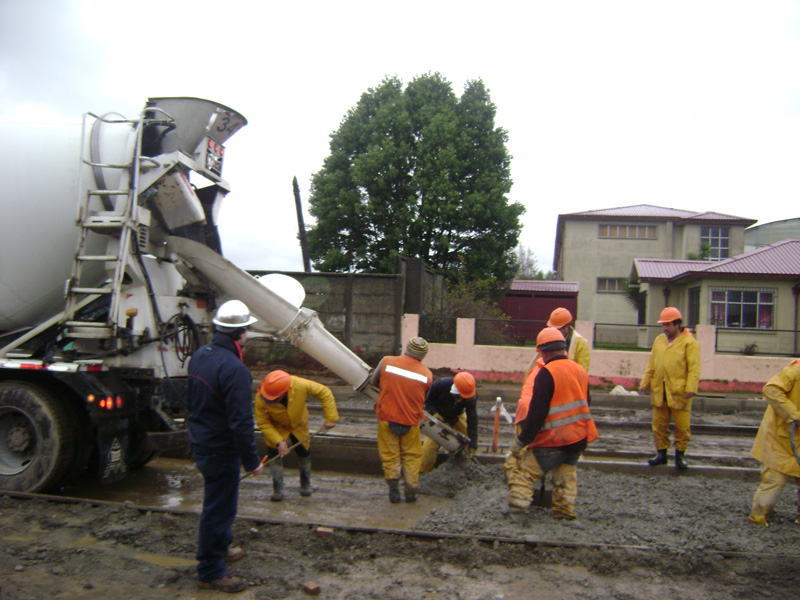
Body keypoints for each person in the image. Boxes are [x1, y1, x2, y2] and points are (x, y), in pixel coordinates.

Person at [186, 300, 264, 593]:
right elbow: (241, 423)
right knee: (219, 509)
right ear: (241, 334)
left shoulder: (200, 356)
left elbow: (192, 400)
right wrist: (252, 460)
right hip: (220, 449)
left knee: (219, 504)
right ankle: (210, 570)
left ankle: (223, 545)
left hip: (202, 441)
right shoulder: (235, 369)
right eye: (247, 330)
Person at [507, 328, 598, 518]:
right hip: (578, 439)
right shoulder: (579, 370)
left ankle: (518, 510)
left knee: (524, 473)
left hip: (553, 440)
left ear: (544, 351)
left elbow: (536, 413)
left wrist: (521, 442)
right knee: (565, 476)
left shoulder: (546, 373)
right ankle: (564, 511)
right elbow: (586, 402)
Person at [254, 370, 339, 501]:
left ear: (284, 392)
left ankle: (305, 484)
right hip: (276, 427)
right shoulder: (261, 397)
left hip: (298, 425)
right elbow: (263, 422)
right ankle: (278, 489)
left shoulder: (299, 384)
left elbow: (324, 392)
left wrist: (331, 417)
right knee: (274, 455)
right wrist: (278, 441)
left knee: (303, 452)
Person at [370, 337, 433, 503]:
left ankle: (393, 491)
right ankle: (411, 490)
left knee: (390, 455)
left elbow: (373, 382)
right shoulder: (427, 375)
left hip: (387, 417)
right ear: (423, 355)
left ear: (407, 348)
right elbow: (425, 398)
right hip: (411, 421)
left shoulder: (387, 362)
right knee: (412, 456)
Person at [638, 307, 701, 470]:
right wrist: (644, 383)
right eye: (663, 325)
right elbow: (651, 364)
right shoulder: (659, 340)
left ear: (677, 324)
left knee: (682, 426)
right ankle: (661, 454)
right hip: (660, 390)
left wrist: (691, 387)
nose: (665, 328)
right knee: (659, 424)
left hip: (679, 391)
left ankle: (680, 455)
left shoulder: (689, 343)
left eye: (668, 325)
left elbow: (694, 368)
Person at [748, 359, 800, 526]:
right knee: (774, 480)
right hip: (780, 437)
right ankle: (758, 517)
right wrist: (794, 414)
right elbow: (771, 389)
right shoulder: (794, 372)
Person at [419, 372, 479, 473]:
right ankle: (423, 472)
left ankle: (469, 470)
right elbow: (428, 402)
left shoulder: (471, 396)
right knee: (429, 447)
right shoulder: (440, 385)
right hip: (439, 415)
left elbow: (472, 419)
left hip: (457, 415)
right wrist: (435, 414)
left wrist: (473, 443)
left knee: (467, 438)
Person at [525, 308, 590, 375]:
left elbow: (583, 372)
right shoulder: (549, 338)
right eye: (552, 328)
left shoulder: (580, 343)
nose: (555, 332)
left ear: (567, 326)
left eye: (558, 329)